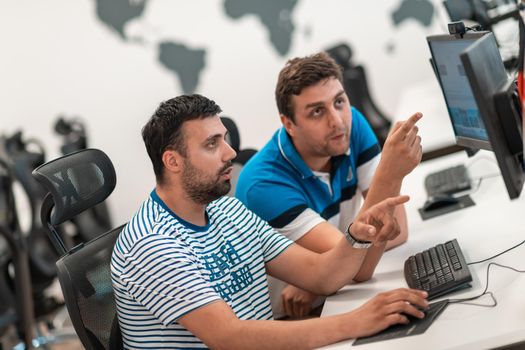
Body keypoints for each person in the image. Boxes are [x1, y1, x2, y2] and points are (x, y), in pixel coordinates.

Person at [111, 94, 428, 349]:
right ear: (173, 161)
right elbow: (230, 338)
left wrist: (357, 236)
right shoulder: (151, 245)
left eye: (225, 139)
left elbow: (321, 276)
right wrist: (356, 321)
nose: (230, 152)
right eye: (212, 144)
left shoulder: (227, 211)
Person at [235, 52, 423, 319]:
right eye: (316, 111)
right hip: (292, 322)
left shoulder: (351, 123)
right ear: (288, 124)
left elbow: (397, 231)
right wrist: (389, 174)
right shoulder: (263, 183)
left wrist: (328, 276)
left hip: (333, 293)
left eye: (339, 101)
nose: (336, 120)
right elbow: (359, 269)